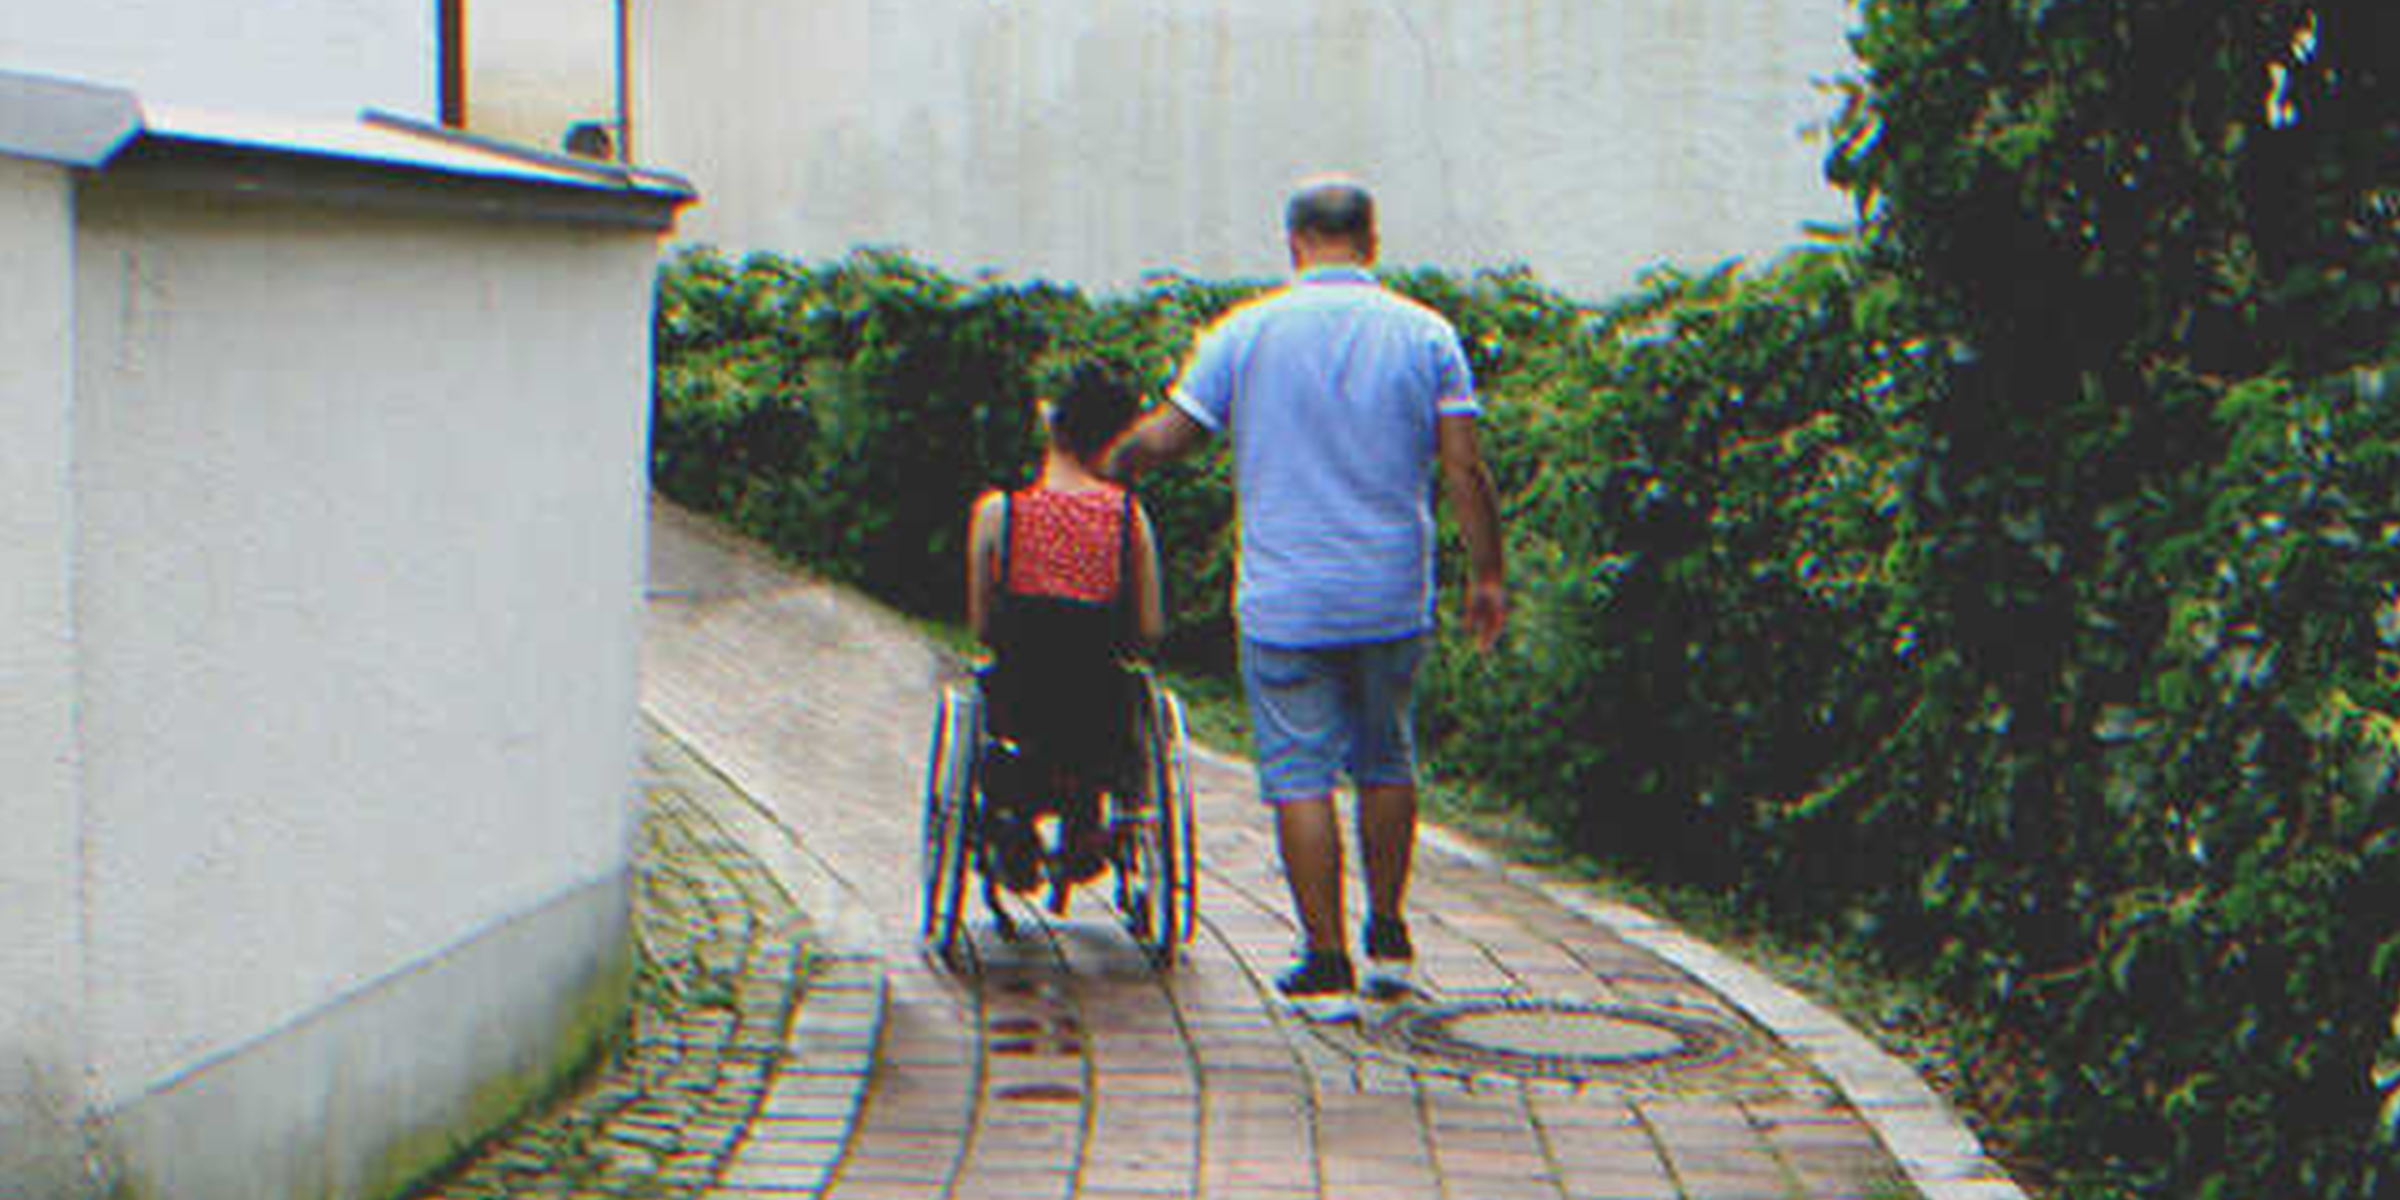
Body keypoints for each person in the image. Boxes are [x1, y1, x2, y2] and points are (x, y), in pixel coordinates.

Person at [1103, 177, 1507, 1020]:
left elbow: (1169, 436)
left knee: (1300, 777)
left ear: (1293, 244)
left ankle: (1325, 961)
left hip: (1286, 596)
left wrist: (1102, 464)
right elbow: (1464, 467)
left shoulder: (1244, 333)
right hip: (1390, 589)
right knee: (1387, 758)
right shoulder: (1427, 334)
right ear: (1372, 240)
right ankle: (1389, 939)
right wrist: (1486, 576)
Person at [967, 360, 1167, 899]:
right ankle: (1085, 827)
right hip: (1100, 720)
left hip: (1019, 710)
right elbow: (1148, 629)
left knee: (998, 687)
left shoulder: (999, 514)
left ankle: (1014, 827)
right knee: (1120, 698)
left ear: (1052, 425)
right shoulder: (1129, 518)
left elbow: (983, 627)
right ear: (1112, 438)